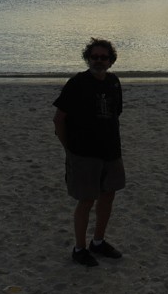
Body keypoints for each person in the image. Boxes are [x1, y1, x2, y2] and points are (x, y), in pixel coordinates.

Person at [53, 38, 125, 268]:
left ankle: (98, 241)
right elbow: (59, 119)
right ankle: (79, 248)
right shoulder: (77, 84)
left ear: (111, 61)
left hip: (111, 152)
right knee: (86, 200)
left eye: (103, 57)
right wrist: (69, 148)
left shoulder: (114, 82)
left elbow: (115, 114)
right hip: (84, 154)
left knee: (108, 195)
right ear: (88, 58)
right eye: (94, 57)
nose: (98, 61)